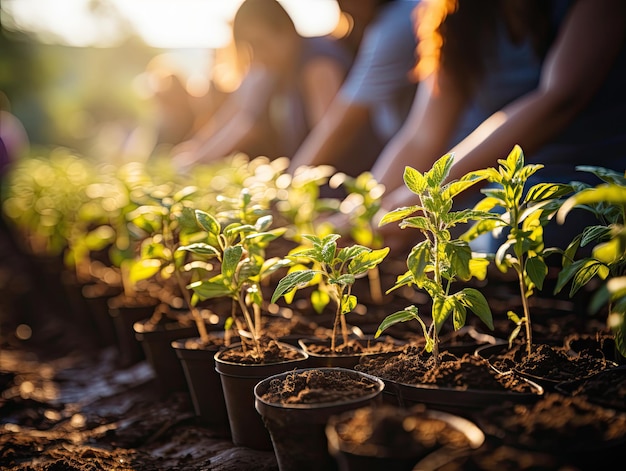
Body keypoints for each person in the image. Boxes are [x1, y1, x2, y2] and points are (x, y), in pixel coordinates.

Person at [366, 0, 626, 253]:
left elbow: (560, 99)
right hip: (511, 200)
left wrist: (427, 201)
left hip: (597, 192)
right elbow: (421, 136)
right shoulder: (456, 13)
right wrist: (363, 214)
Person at [171, 0, 353, 171]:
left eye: (260, 43)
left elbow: (330, 135)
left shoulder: (318, 62)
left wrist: (292, 182)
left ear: (285, 31)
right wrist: (195, 151)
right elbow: (237, 112)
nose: (257, 55)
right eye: (250, 46)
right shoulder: (277, 69)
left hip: (339, 184)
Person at [287, 0, 421, 178]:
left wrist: (290, 184)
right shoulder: (388, 21)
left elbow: (340, 126)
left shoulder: (396, 26)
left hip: (441, 164)